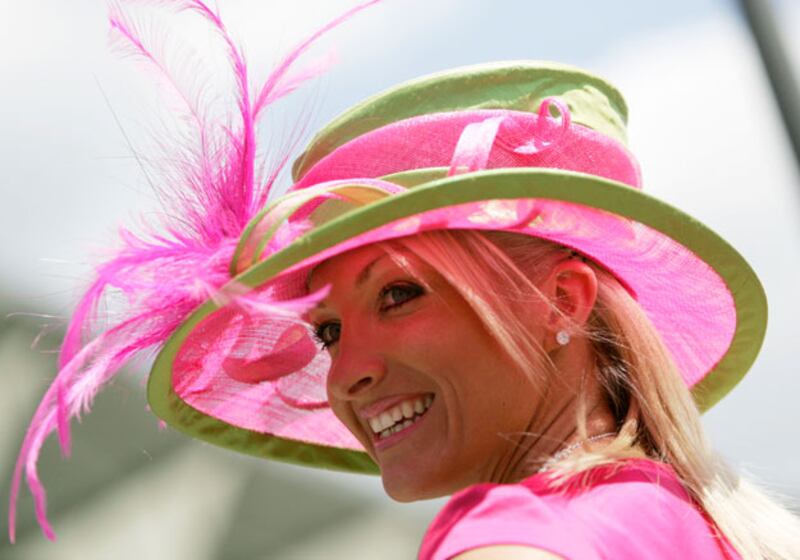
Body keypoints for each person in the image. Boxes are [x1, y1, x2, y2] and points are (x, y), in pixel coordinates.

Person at [8, 2, 800, 558]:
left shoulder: (515, 536)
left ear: (561, 301)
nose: (347, 372)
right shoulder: (691, 524)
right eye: (327, 331)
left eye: (399, 294)